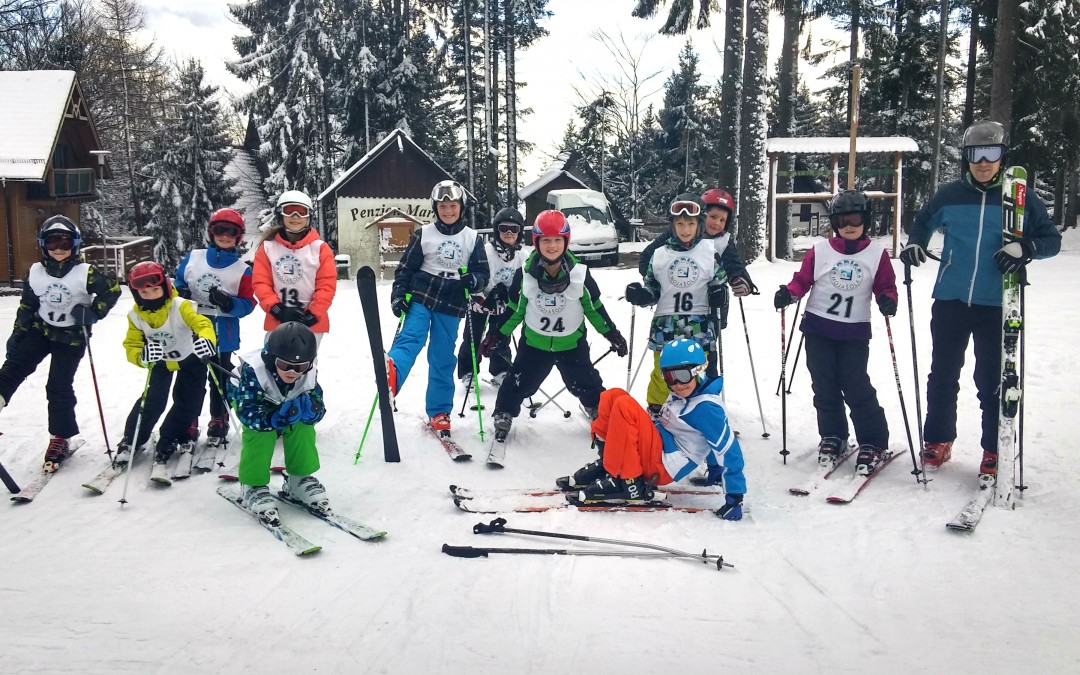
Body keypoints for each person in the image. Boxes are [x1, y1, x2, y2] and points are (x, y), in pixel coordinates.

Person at [899, 120, 1061, 480]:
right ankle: (938, 439)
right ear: (966, 158)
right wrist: (915, 243)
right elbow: (923, 222)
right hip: (951, 298)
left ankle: (994, 445)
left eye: (991, 154)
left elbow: (1052, 240)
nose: (983, 162)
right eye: (975, 155)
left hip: (998, 302)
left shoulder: (1021, 197)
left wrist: (1027, 247)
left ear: (1002, 157)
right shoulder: (950, 195)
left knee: (991, 376)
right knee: (942, 374)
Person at [774, 190, 898, 474]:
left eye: (854, 219)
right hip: (818, 328)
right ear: (834, 222)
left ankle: (873, 441)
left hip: (853, 333)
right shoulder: (821, 251)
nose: (849, 225)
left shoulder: (877, 254)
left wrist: (887, 300)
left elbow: (886, 286)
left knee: (856, 386)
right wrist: (788, 294)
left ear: (865, 220)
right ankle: (833, 435)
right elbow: (802, 280)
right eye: (842, 220)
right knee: (824, 386)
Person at [482, 209, 628, 445]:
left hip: (571, 344)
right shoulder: (525, 276)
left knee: (586, 382)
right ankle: (504, 413)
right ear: (537, 242)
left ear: (566, 242)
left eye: (557, 240)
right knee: (517, 382)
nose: (552, 246)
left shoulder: (580, 274)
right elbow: (515, 310)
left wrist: (612, 333)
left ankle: (596, 410)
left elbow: (594, 308)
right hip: (534, 345)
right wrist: (496, 334)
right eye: (546, 241)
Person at [559, 339, 745, 519]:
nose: (677, 385)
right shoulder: (686, 395)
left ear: (699, 371)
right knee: (612, 396)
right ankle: (612, 465)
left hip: (664, 465)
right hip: (659, 450)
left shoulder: (706, 408)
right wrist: (714, 472)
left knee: (625, 406)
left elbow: (726, 447)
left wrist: (734, 498)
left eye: (683, 376)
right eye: (669, 378)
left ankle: (629, 483)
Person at [0, 215, 120, 470]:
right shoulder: (35, 271)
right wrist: (18, 334)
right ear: (43, 245)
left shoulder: (85, 272)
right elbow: (28, 305)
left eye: (64, 243)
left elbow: (112, 290)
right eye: (52, 243)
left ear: (75, 245)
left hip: (71, 337)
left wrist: (93, 312)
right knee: (13, 366)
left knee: (58, 385)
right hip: (41, 330)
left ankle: (60, 437)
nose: (58, 250)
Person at [387, 180, 489, 440]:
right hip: (423, 293)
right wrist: (399, 295)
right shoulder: (424, 234)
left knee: (442, 357)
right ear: (435, 207)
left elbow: (482, 273)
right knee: (412, 336)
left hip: (452, 301)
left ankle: (439, 411)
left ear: (460, 207)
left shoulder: (471, 238)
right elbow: (406, 269)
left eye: (452, 205)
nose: (447, 211)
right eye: (442, 206)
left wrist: (474, 281)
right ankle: (391, 374)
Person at [624, 194, 729, 415]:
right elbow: (653, 288)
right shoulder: (659, 255)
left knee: (697, 373)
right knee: (664, 373)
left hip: (698, 326)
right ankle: (657, 411)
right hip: (666, 326)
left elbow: (719, 282)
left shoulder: (710, 253)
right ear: (672, 225)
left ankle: (703, 413)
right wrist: (642, 295)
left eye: (690, 224)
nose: (685, 229)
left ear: (699, 225)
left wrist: (719, 294)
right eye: (680, 224)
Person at [637, 188, 755, 377]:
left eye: (722, 220)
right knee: (670, 365)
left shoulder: (723, 241)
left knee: (706, 359)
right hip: (672, 312)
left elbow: (733, 265)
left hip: (708, 309)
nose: (716, 223)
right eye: (713, 216)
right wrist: (662, 281)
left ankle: (706, 394)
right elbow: (648, 259)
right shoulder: (675, 233)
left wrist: (739, 279)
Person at [117, 262, 217, 475]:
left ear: (165, 285)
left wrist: (207, 340)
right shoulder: (135, 315)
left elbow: (203, 325)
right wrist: (142, 356)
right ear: (136, 293)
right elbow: (131, 345)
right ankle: (133, 438)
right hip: (161, 361)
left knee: (188, 401)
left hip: (190, 358)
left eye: (155, 289)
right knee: (152, 400)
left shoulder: (181, 306)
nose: (150, 295)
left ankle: (169, 436)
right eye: (144, 292)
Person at [174, 208, 255, 447]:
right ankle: (189, 418)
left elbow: (249, 303)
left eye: (232, 232)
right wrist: (182, 293)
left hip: (223, 329)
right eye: (220, 230)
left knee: (219, 377)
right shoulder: (194, 258)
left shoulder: (243, 269)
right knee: (191, 376)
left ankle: (218, 418)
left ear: (239, 236)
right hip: (192, 327)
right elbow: (177, 283)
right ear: (211, 232)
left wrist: (230, 303)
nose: (225, 235)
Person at [229, 321, 329, 516]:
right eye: (285, 365)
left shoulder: (308, 373)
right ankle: (252, 485)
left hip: (285, 400)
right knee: (260, 434)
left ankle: (299, 479)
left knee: (302, 426)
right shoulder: (254, 370)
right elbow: (247, 411)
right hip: (250, 401)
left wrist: (313, 411)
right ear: (271, 358)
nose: (292, 372)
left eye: (300, 367)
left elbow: (318, 402)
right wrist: (271, 420)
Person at [252, 190, 337, 343]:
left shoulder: (320, 249)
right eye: (290, 211)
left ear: (309, 217)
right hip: (278, 320)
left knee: (305, 365)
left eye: (302, 212)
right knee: (273, 362)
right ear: (280, 215)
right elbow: (261, 283)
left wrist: (313, 314)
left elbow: (327, 286)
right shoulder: (268, 248)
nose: (295, 217)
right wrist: (277, 310)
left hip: (310, 322)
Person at [455, 207, 526, 389]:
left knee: (501, 336)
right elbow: (476, 273)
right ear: (496, 230)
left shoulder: (521, 256)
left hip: (503, 304)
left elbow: (523, 282)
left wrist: (512, 295)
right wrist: (483, 295)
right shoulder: (486, 251)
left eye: (514, 229)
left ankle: (500, 368)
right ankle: (469, 370)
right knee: (473, 336)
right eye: (504, 229)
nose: (509, 234)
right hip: (481, 300)